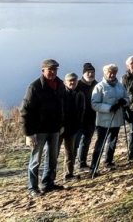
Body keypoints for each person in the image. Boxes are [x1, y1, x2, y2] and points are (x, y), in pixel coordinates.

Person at [20, 58, 65, 196]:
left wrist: (61, 124)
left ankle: (48, 183)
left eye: (54, 70)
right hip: (38, 131)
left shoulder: (60, 84)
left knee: (52, 158)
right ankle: (32, 188)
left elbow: (62, 107)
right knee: (35, 160)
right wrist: (28, 134)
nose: (52, 72)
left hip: (55, 129)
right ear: (43, 70)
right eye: (49, 69)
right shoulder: (34, 87)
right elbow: (25, 111)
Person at [90, 63, 129, 172]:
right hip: (104, 121)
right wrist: (109, 108)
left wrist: (124, 101)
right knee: (100, 143)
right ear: (105, 73)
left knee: (113, 141)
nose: (112, 75)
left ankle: (108, 161)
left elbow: (127, 98)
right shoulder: (99, 86)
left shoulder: (120, 85)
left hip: (116, 119)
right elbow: (94, 104)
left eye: (114, 73)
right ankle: (94, 166)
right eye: (109, 73)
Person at [60, 72, 85, 181]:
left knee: (71, 152)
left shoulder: (79, 94)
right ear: (65, 82)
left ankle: (68, 174)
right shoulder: (60, 94)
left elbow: (82, 110)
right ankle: (48, 179)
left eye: (74, 80)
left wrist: (79, 123)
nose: (72, 82)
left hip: (73, 128)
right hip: (60, 128)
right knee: (54, 153)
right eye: (70, 81)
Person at [75, 62, 97, 170]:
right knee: (75, 144)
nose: (91, 74)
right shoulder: (77, 85)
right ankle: (69, 168)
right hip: (79, 120)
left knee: (86, 142)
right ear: (83, 73)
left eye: (93, 72)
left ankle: (82, 163)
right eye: (88, 72)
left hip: (91, 119)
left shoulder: (96, 85)